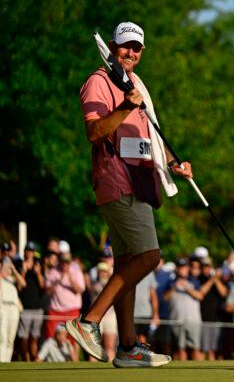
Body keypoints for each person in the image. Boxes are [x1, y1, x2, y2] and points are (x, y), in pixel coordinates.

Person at [67, 21, 193, 367]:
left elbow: (149, 138)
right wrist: (124, 106)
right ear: (112, 46)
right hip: (116, 180)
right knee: (150, 256)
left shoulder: (135, 84)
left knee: (126, 263)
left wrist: (175, 163)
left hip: (140, 181)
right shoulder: (99, 81)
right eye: (126, 46)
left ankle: (127, 346)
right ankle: (88, 320)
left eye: (137, 48)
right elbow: (94, 131)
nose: (132, 53)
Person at [163, 258, 204, 361]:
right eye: (180, 267)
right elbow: (165, 298)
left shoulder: (194, 281)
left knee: (195, 347)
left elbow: (200, 296)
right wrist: (174, 287)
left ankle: (198, 372)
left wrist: (187, 288)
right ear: (177, 269)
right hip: (177, 320)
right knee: (180, 348)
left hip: (193, 320)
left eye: (184, 267)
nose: (182, 269)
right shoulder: (171, 282)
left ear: (188, 268)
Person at [16, 241, 45, 361]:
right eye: (28, 251)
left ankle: (33, 357)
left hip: (37, 307)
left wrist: (38, 273)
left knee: (34, 336)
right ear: (24, 252)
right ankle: (25, 357)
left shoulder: (38, 265)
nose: (29, 253)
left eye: (31, 251)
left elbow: (43, 286)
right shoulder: (19, 265)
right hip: (25, 307)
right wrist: (23, 271)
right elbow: (19, 287)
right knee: (23, 337)